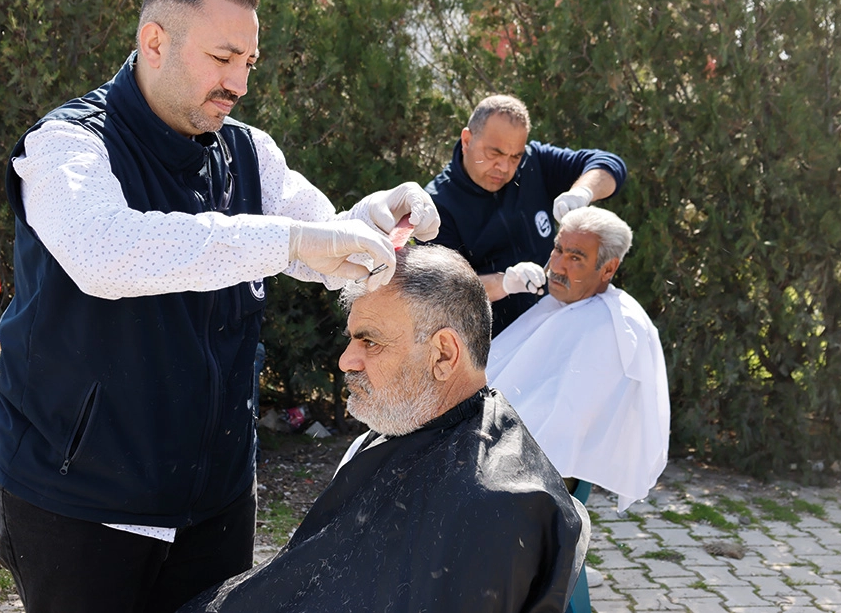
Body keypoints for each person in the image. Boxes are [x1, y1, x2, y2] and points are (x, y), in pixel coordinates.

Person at [0, 0, 440, 613]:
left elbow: (321, 245)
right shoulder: (66, 147)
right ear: (154, 42)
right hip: (80, 507)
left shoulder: (251, 153)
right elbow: (105, 254)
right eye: (223, 57)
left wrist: (372, 221)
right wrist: (288, 240)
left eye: (249, 62)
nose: (238, 83)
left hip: (217, 505)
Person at [180, 245, 589, 613]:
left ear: (443, 354)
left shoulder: (491, 505)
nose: (345, 361)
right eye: (351, 339)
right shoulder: (408, 424)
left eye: (369, 342)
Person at [486, 206, 670, 512]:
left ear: (608, 269)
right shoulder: (563, 304)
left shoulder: (611, 327)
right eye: (557, 249)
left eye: (575, 258)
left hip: (543, 478)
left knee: (553, 554)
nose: (556, 266)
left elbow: (564, 424)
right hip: (515, 462)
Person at [424, 95, 627, 336]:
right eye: (494, 154)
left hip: (557, 321)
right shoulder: (436, 207)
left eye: (514, 157)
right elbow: (443, 290)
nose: (505, 168)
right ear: (467, 140)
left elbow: (610, 165)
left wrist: (582, 192)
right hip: (495, 346)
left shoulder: (533, 163)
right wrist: (506, 283)